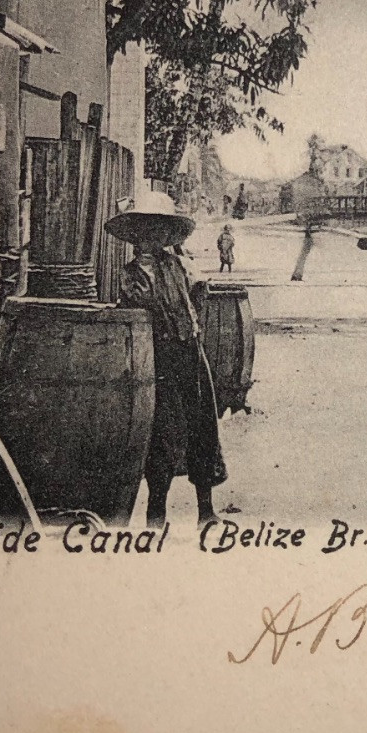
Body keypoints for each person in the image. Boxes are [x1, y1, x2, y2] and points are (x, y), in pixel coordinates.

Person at [106, 191, 227, 527]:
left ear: (165, 236)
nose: (149, 239)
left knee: (201, 425)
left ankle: (206, 509)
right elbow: (134, 306)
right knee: (162, 432)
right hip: (155, 360)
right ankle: (156, 511)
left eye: (156, 232)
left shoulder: (180, 265)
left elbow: (199, 296)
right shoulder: (130, 274)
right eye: (142, 232)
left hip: (188, 354)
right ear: (134, 237)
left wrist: (195, 306)